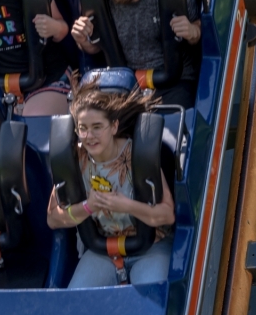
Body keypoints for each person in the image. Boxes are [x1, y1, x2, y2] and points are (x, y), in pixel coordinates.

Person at [47, 81, 175, 287]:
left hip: (151, 246)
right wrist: (88, 207)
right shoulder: (74, 160)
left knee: (152, 298)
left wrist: (127, 206)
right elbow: (53, 219)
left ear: (114, 126)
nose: (89, 136)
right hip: (102, 251)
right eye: (83, 129)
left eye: (97, 127)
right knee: (75, 303)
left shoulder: (138, 155)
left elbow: (167, 214)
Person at [71, 0, 201, 107]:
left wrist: (191, 31)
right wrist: (82, 40)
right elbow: (97, 48)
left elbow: (199, 32)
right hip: (124, 84)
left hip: (174, 81)